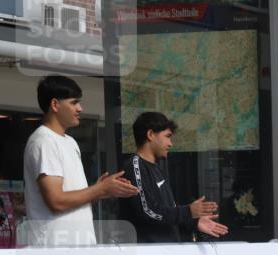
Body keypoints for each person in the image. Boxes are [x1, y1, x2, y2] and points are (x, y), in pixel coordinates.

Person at [23, 75, 138, 246]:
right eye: (74, 102)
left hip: (77, 247)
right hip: (55, 249)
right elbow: (56, 201)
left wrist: (103, 190)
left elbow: (69, 198)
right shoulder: (44, 141)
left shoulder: (70, 142)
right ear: (55, 104)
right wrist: (99, 189)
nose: (80, 108)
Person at [119, 112, 228, 243]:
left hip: (167, 250)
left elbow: (167, 214)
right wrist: (188, 212)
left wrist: (193, 222)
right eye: (167, 136)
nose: (170, 143)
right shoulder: (134, 166)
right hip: (148, 252)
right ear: (150, 134)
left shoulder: (157, 168)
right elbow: (148, 211)